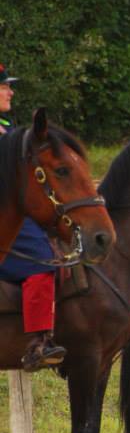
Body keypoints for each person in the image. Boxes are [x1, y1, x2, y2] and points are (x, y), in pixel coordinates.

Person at [0, 63, 66, 372]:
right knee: (40, 260)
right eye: (4, 87)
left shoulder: (6, 127)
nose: (10, 92)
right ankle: (39, 342)